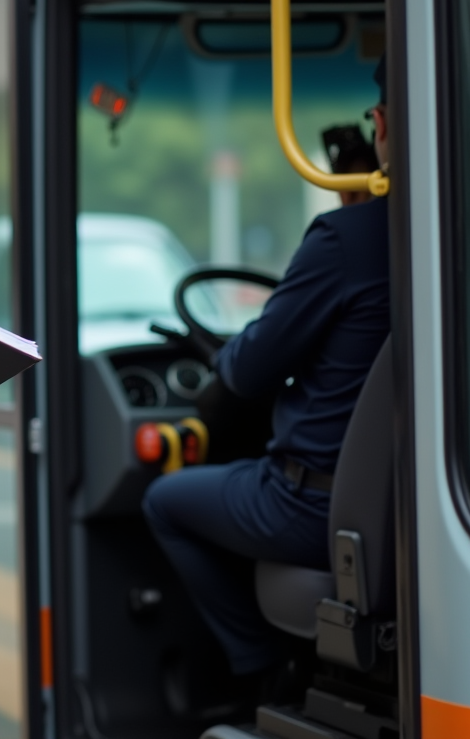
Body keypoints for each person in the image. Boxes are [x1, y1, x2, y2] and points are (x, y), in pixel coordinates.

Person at [142, 58, 393, 686]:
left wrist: (231, 352)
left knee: (164, 502)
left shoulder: (345, 238)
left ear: (384, 125)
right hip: (423, 501)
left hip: (313, 507)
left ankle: (263, 668)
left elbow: (248, 372)